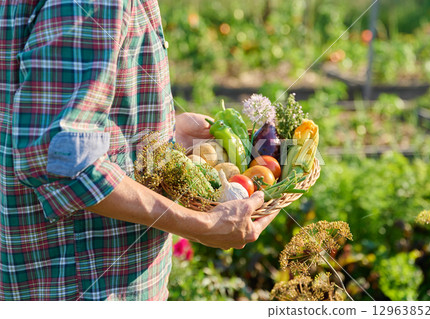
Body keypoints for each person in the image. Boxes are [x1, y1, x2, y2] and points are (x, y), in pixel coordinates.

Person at [0, 0, 278, 300]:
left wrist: (162, 133)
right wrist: (201, 224)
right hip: (84, 285)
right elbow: (64, 160)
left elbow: (25, 113)